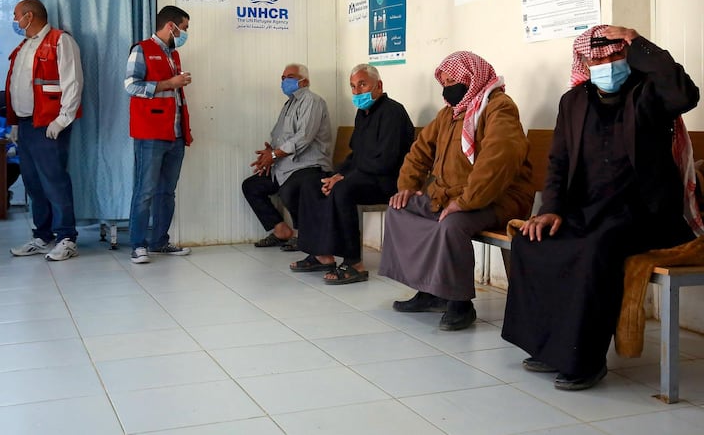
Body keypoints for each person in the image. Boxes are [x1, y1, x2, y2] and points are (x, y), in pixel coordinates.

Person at [502, 25, 700, 391]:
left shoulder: (650, 93)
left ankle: (586, 361)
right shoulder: (572, 102)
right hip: (587, 209)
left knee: (595, 249)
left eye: (615, 56)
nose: (607, 64)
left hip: (645, 213)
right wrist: (552, 208)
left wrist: (637, 41)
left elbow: (685, 93)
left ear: (627, 56)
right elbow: (559, 160)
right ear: (586, 63)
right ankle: (547, 346)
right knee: (533, 241)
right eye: (598, 59)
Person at [379, 51, 532, 331]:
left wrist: (465, 202)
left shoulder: (498, 107)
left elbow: (498, 160)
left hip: (498, 198)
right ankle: (428, 289)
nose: (449, 88)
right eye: (445, 83)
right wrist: (408, 188)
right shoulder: (448, 114)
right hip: (451, 195)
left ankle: (459, 303)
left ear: (472, 79)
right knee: (400, 209)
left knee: (452, 225)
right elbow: (419, 152)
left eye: (454, 81)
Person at [290, 64, 414, 285]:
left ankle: (354, 263)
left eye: (362, 84)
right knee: (311, 184)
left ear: (379, 86)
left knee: (343, 189)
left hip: (387, 181)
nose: (357, 91)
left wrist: (342, 179)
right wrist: (335, 175)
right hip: (364, 176)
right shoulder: (363, 113)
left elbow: (386, 161)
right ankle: (321, 254)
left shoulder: (393, 112)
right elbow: (355, 155)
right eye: (353, 87)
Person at [6, 0, 84, 261]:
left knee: (54, 181)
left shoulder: (61, 41)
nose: (15, 20)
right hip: (27, 125)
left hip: (49, 124)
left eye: (17, 15)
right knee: (33, 182)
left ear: (30, 15)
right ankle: (43, 235)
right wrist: (15, 123)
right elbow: (16, 87)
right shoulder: (24, 46)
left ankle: (66, 238)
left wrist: (63, 119)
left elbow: (73, 82)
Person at [125, 5, 193, 264]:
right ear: (171, 26)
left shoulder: (173, 55)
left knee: (167, 191)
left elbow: (175, 97)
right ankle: (138, 245)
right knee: (145, 191)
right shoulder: (141, 49)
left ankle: (159, 242)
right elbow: (131, 85)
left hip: (174, 133)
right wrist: (168, 83)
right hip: (151, 133)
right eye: (184, 28)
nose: (185, 33)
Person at [242, 64, 332, 251]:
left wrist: (274, 155)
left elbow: (303, 137)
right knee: (252, 186)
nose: (284, 82)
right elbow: (281, 135)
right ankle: (281, 230)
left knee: (290, 189)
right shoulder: (289, 103)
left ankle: (304, 236)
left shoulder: (312, 101)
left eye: (290, 77)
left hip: (309, 166)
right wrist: (270, 152)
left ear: (304, 81)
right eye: (282, 78)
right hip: (285, 166)